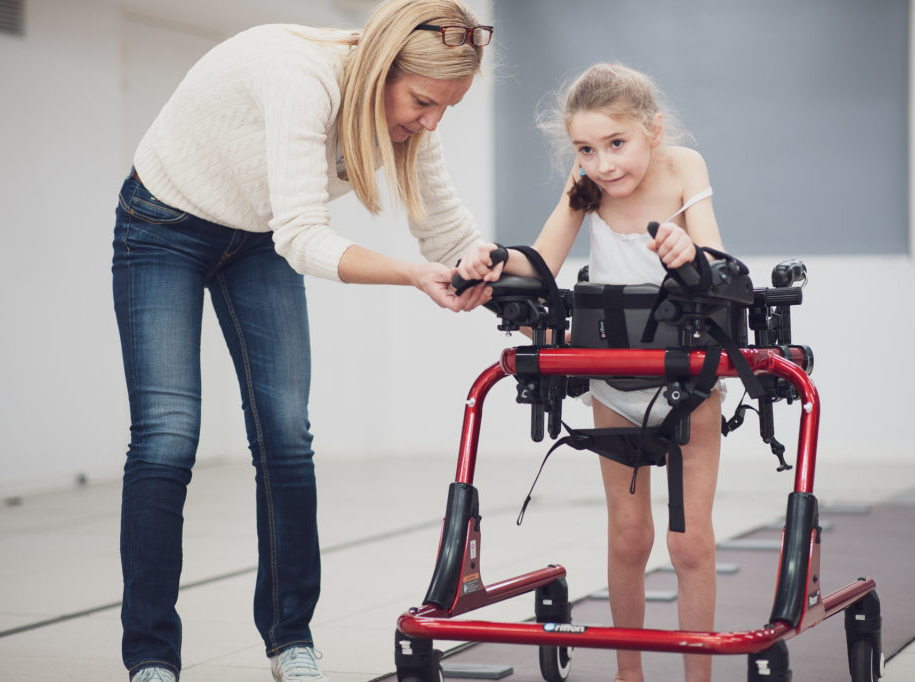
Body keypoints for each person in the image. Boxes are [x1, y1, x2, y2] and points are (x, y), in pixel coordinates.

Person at [111, 2, 497, 680]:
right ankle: (150, 657)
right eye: (424, 102)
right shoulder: (304, 76)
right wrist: (411, 275)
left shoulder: (411, 115)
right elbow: (303, 236)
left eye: (448, 108)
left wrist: (506, 277)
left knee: (285, 434)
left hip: (254, 236)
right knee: (167, 436)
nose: (431, 120)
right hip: (163, 224)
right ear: (385, 69)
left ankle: (291, 639)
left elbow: (450, 235)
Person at [455, 63, 725, 682]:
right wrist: (495, 257)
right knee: (629, 538)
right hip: (613, 378)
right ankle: (628, 674)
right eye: (586, 149)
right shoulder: (588, 184)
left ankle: (698, 677)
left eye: (616, 144)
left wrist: (690, 254)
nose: (603, 164)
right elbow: (541, 262)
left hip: (687, 378)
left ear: (653, 129)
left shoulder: (685, 167)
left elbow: (716, 260)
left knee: (689, 543)